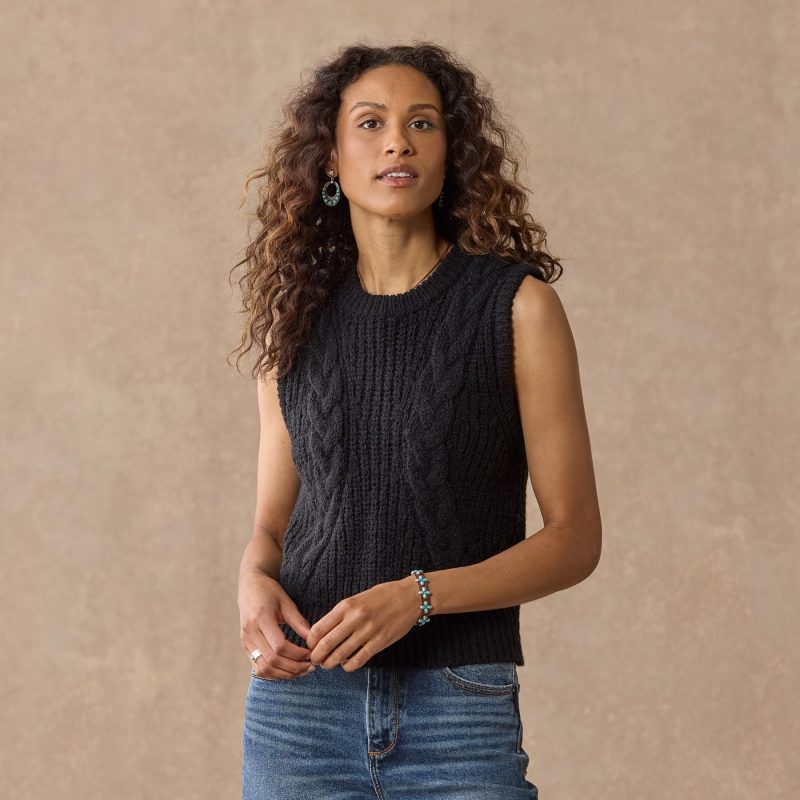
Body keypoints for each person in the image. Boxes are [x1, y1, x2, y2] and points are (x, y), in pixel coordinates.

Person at [229, 41, 601, 800]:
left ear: (449, 153)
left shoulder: (516, 308)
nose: (397, 141)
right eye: (370, 123)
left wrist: (419, 596)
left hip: (457, 707)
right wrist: (252, 584)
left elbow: (575, 540)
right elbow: (271, 527)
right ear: (329, 158)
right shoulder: (292, 320)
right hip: (300, 708)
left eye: (422, 123)